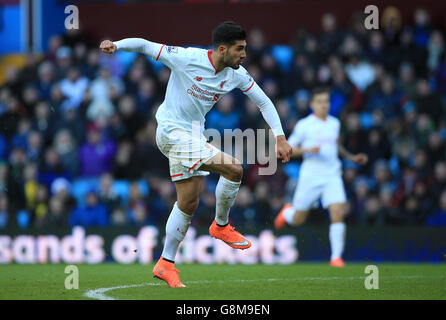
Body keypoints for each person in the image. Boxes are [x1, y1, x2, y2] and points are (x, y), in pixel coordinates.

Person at [100, 21, 292, 287]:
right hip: (170, 131)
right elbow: (145, 45)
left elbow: (263, 101)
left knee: (188, 202)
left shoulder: (236, 73)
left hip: (193, 134)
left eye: (245, 49)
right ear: (222, 49)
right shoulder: (187, 58)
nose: (244, 54)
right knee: (234, 169)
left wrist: (280, 138)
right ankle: (221, 226)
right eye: (239, 49)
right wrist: (116, 45)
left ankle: (165, 263)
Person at [274, 87, 368, 267]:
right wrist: (307, 150)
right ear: (312, 105)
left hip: (332, 175)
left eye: (326, 101)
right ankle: (287, 212)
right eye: (320, 102)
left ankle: (336, 258)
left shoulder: (335, 123)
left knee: (338, 213)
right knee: (299, 219)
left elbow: (336, 146)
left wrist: (350, 157)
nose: (324, 105)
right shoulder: (304, 125)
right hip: (310, 176)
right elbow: (285, 151)